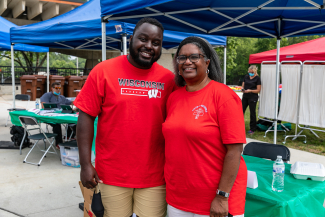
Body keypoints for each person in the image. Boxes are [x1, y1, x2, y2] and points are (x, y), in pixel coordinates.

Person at [74, 18, 176, 217]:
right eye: (143, 39)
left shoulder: (169, 80)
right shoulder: (103, 71)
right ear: (131, 39)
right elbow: (85, 116)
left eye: (156, 43)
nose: (148, 46)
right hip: (111, 175)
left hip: (154, 176)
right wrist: (85, 164)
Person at [162, 36, 247, 217]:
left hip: (215, 199)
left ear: (207, 62)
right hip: (179, 197)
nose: (187, 62)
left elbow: (234, 151)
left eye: (194, 57)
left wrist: (222, 196)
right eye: (181, 58)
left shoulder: (223, 96)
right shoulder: (174, 98)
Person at [40, 82, 75, 147]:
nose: (58, 89)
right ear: (52, 88)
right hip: (50, 117)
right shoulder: (47, 95)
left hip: (61, 116)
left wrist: (80, 102)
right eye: (56, 88)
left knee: (73, 120)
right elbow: (43, 106)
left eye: (59, 88)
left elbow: (71, 102)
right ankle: (59, 144)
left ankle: (68, 136)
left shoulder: (61, 97)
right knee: (57, 125)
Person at [241, 65, 261, 134]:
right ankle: (239, 126)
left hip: (253, 97)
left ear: (255, 72)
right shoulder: (246, 77)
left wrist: (250, 91)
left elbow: (258, 90)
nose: (250, 73)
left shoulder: (257, 78)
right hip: (245, 96)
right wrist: (242, 89)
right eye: (249, 72)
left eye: (252, 72)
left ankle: (252, 128)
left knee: (252, 113)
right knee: (240, 111)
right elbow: (243, 85)